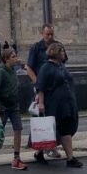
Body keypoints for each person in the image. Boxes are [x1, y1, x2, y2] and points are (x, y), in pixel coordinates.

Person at [34, 41, 82, 168]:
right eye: (62, 51)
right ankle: (68, 158)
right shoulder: (46, 67)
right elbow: (41, 87)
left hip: (66, 104)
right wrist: (41, 103)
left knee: (62, 130)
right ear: (55, 52)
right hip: (54, 105)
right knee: (54, 131)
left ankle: (67, 158)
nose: (64, 53)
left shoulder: (61, 66)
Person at [25, 23, 66, 158]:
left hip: (55, 88)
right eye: (47, 34)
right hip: (41, 88)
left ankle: (52, 146)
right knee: (41, 118)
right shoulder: (36, 48)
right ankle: (39, 148)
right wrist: (38, 83)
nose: (49, 37)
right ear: (42, 34)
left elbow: (63, 63)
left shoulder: (58, 46)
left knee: (55, 118)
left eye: (51, 34)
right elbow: (29, 68)